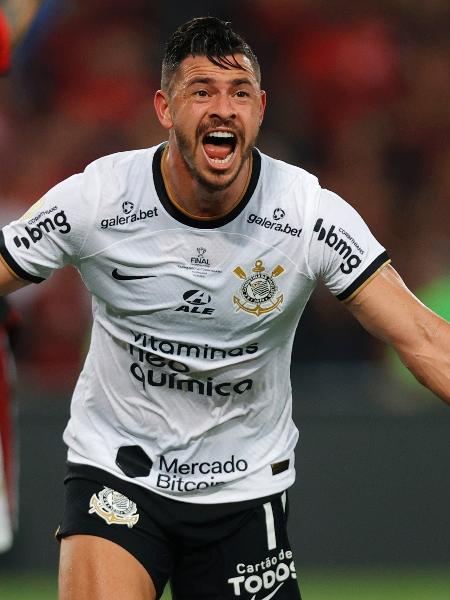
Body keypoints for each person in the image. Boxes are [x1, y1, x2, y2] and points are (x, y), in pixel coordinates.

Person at [0, 16, 448, 600]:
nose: (223, 108)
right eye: (202, 91)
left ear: (260, 109)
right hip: (117, 470)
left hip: (243, 490)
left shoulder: (307, 214)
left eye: (239, 93)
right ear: (165, 108)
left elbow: (422, 336)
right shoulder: (99, 199)